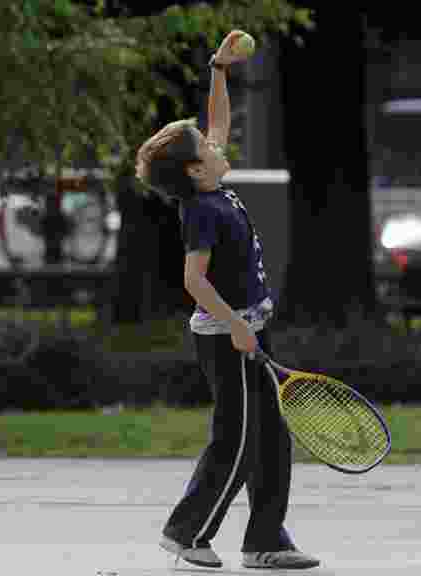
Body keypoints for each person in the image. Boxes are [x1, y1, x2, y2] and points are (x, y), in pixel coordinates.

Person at [134, 30, 319, 571]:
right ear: (194, 169)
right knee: (237, 440)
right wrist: (235, 325)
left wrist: (218, 68)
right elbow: (193, 281)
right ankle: (186, 533)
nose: (219, 142)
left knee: (272, 439)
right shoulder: (202, 212)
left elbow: (217, 120)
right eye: (209, 148)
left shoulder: (211, 187)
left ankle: (266, 540)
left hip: (247, 327)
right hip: (226, 336)